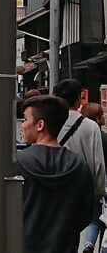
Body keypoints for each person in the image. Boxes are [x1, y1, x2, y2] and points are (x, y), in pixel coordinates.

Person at [17, 95, 94, 253]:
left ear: (40, 125)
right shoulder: (79, 166)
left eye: (24, 119)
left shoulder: (18, 163)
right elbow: (85, 215)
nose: (22, 125)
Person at [54, 80, 106, 200]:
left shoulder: (50, 122)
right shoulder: (91, 126)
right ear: (78, 98)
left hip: (55, 191)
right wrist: (99, 192)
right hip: (83, 192)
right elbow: (98, 164)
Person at [80, 103, 107, 253]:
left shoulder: (77, 133)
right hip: (102, 181)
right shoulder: (102, 137)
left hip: (86, 182)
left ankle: (88, 243)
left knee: (94, 219)